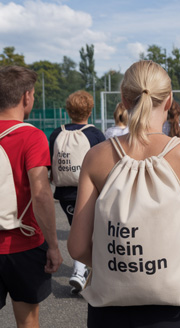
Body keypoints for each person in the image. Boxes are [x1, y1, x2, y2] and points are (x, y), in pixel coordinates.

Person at [67, 60, 180, 328]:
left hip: (110, 312)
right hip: (175, 314)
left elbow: (78, 247)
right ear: (169, 100)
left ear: (124, 100)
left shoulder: (96, 157)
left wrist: (122, 266)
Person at [0, 65, 63, 328]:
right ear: (27, 96)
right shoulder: (32, 136)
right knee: (27, 322)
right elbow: (41, 194)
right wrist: (53, 245)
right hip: (24, 245)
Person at [49, 90, 105, 293]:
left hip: (64, 193)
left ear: (68, 110)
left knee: (76, 228)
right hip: (90, 192)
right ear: (90, 110)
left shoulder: (57, 133)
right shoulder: (95, 134)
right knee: (93, 231)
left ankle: (82, 270)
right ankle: (82, 271)